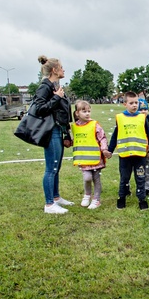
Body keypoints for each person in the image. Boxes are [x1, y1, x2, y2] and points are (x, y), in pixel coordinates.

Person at [33, 56, 73, 214]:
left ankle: (56, 198)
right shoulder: (45, 86)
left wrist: (67, 133)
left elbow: (61, 112)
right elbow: (40, 108)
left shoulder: (55, 85)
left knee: (57, 166)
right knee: (51, 168)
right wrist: (57, 97)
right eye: (61, 67)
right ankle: (49, 204)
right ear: (54, 70)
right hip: (50, 131)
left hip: (58, 129)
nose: (64, 70)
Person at [108, 91, 149, 210]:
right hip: (125, 155)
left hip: (140, 155)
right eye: (131, 103)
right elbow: (115, 135)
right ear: (125, 104)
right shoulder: (120, 118)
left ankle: (142, 199)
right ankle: (122, 198)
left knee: (140, 177)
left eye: (136, 102)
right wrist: (110, 150)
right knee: (124, 177)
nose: (134, 105)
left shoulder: (142, 117)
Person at [71, 100, 110, 209]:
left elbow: (102, 138)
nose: (87, 113)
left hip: (96, 159)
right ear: (77, 113)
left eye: (89, 111)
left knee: (96, 179)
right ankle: (87, 195)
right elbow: (76, 140)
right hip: (83, 159)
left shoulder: (95, 125)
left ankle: (96, 199)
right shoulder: (74, 127)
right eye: (84, 111)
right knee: (87, 178)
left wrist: (104, 149)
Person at [136, 97, 149, 197]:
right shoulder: (135, 121)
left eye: (145, 109)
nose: (143, 112)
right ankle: (135, 187)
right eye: (141, 109)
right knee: (136, 171)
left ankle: (148, 188)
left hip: (147, 150)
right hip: (137, 150)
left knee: (146, 170)